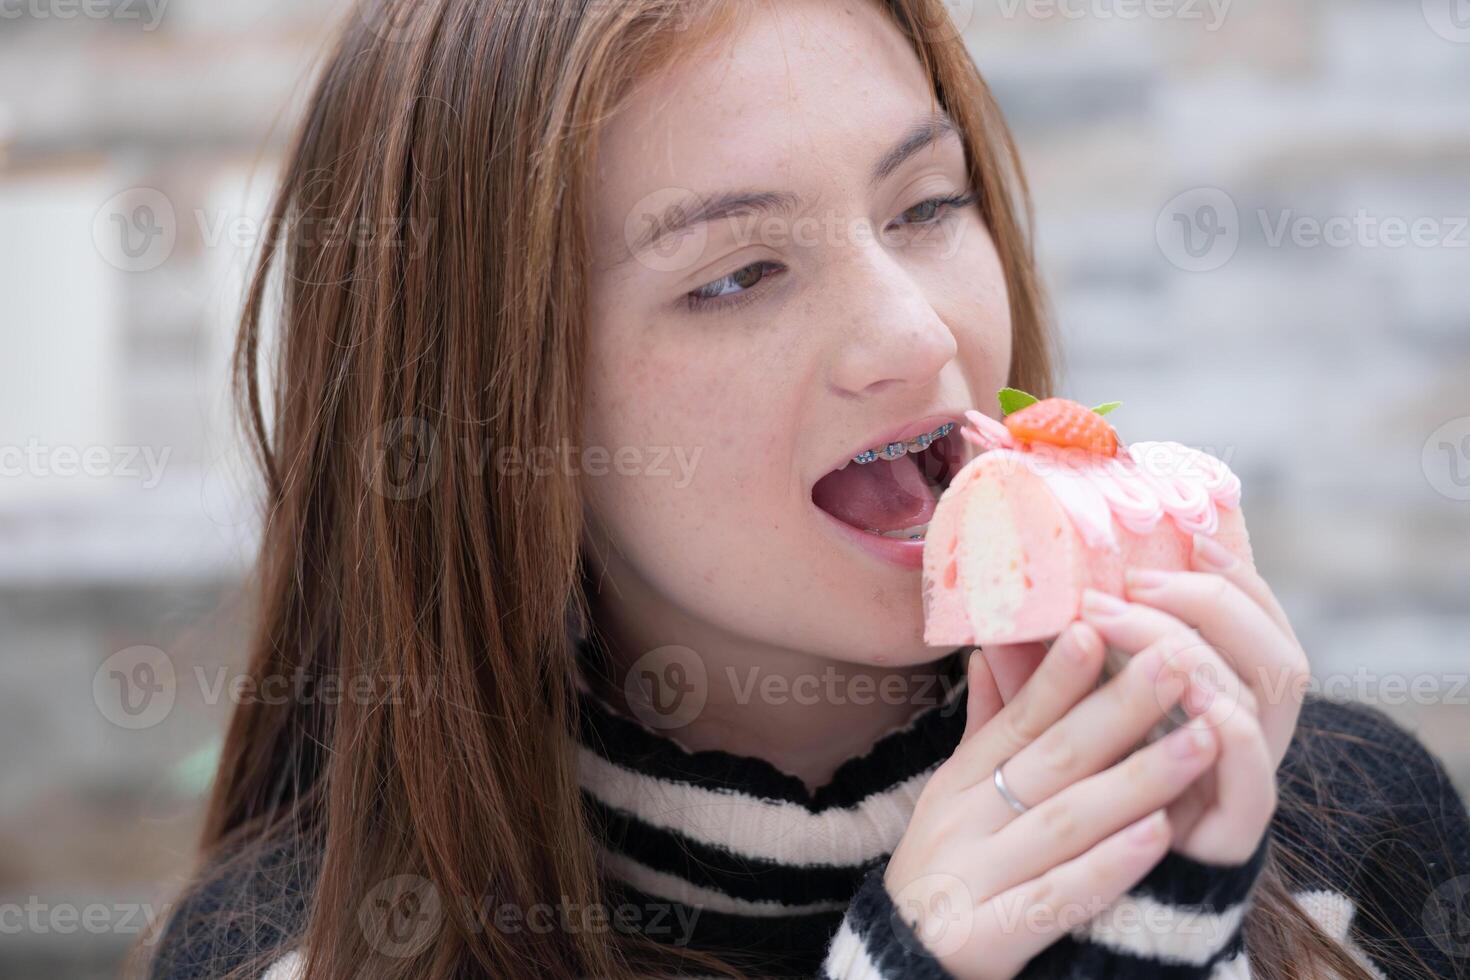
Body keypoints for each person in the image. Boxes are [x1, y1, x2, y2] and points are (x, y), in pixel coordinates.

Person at [139, 0, 1470, 977]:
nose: (916, 337)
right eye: (736, 275)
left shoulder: (1352, 833)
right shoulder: (309, 950)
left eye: (925, 208)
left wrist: (1174, 898)